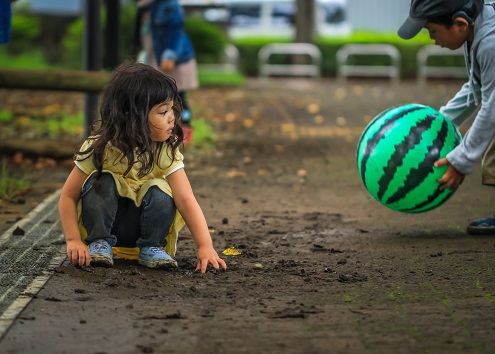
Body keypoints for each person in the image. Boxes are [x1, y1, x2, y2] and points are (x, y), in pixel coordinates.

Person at [58, 61, 226, 273]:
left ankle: (152, 246)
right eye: (163, 112)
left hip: (145, 227)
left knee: (161, 187)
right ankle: (100, 243)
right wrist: (73, 240)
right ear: (132, 117)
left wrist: (205, 246)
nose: (172, 117)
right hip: (109, 225)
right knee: (102, 179)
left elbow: (186, 199)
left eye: (171, 109)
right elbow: (68, 196)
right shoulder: (101, 147)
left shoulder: (165, 150)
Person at [398, 0, 495, 235]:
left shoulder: (491, 43)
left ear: (460, 24)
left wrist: (461, 159)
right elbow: (477, 88)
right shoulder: (477, 28)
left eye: (433, 31)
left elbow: (493, 106)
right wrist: (438, 122)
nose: (433, 39)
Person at [136, 0, 198, 142]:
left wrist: (170, 55)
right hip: (157, 58)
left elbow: (175, 32)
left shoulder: (168, 5)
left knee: (178, 99)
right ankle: (165, 134)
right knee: (162, 98)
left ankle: (182, 134)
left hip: (171, 61)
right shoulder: (148, 7)